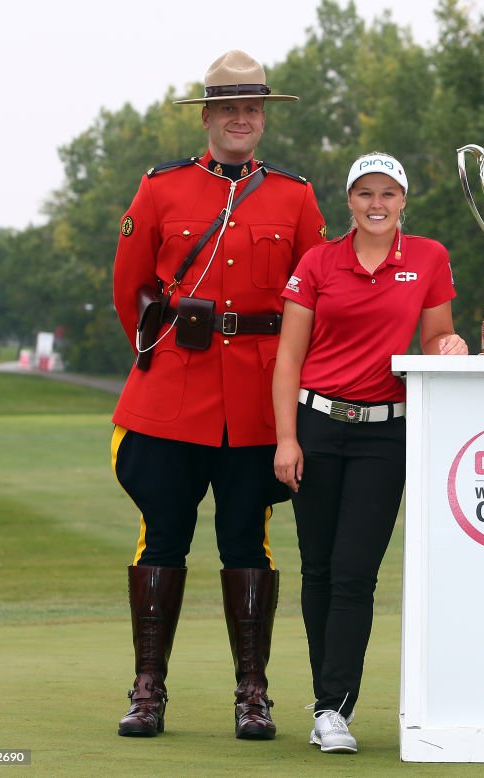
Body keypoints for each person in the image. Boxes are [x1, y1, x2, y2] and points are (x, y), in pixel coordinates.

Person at [110, 50, 327, 740]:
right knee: (162, 536)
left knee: (246, 541)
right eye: (229, 107)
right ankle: (148, 689)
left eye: (252, 108)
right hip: (175, 386)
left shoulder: (295, 196)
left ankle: (252, 693)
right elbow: (129, 286)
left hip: (259, 398)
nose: (241, 119)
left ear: (263, 117)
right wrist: (161, 353)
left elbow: (312, 299)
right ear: (207, 116)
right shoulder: (161, 188)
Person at [273, 152, 467, 754]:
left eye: (388, 194)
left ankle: (334, 708)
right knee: (319, 569)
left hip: (386, 433)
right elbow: (288, 359)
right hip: (318, 425)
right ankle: (326, 701)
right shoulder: (318, 262)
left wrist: (449, 344)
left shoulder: (429, 258)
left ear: (403, 200)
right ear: (349, 202)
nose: (376, 204)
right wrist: (286, 437)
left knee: (356, 572)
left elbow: (435, 335)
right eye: (365, 194)